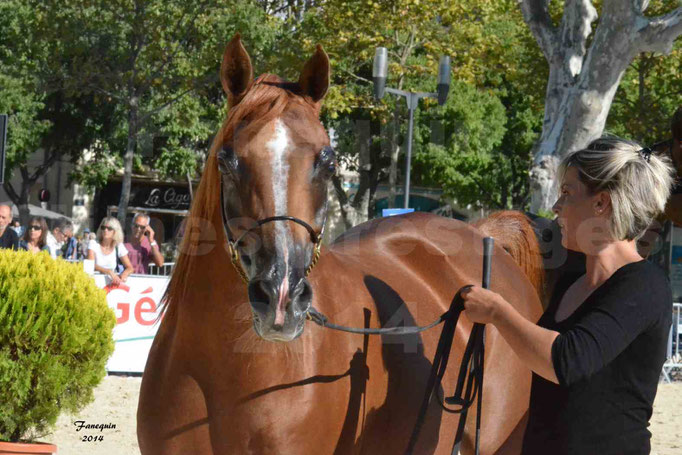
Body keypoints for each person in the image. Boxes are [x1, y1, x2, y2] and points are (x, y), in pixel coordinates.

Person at [461, 137, 674, 455]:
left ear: (601, 203)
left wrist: (497, 312)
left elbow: (567, 361)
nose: (555, 207)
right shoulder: (572, 280)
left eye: (567, 193)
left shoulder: (645, 286)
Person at [87, 217, 134, 286]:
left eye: (109, 229)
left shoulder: (119, 246)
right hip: (94, 284)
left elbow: (130, 268)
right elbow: (91, 265)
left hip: (111, 286)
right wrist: (108, 272)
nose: (105, 230)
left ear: (115, 231)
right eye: (103, 228)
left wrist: (124, 275)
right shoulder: (93, 244)